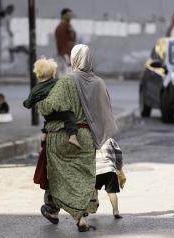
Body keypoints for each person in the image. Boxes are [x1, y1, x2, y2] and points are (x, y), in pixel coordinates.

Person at [37, 44, 117, 232]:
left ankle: (52, 210)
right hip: (86, 138)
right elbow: (105, 113)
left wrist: (40, 102)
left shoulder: (66, 81)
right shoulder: (99, 83)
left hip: (62, 136)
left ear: (73, 59)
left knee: (58, 176)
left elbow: (50, 106)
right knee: (84, 177)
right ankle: (81, 218)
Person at [23, 56, 81, 148]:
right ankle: (72, 136)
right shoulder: (58, 82)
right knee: (69, 115)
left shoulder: (35, 89)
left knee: (48, 121)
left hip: (47, 114)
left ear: (38, 73)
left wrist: (25, 103)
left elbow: (28, 104)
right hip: (59, 111)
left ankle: (43, 135)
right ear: (53, 72)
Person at [96, 138, 125, 219]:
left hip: (96, 170)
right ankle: (116, 211)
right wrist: (119, 167)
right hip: (110, 169)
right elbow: (118, 153)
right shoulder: (110, 140)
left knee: (94, 188)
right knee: (112, 192)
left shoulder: (92, 139)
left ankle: (95, 201)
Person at [55, 8, 76, 76]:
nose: (70, 17)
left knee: (61, 74)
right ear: (63, 15)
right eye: (69, 15)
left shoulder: (58, 27)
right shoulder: (67, 26)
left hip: (61, 54)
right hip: (66, 54)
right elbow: (73, 37)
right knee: (68, 74)